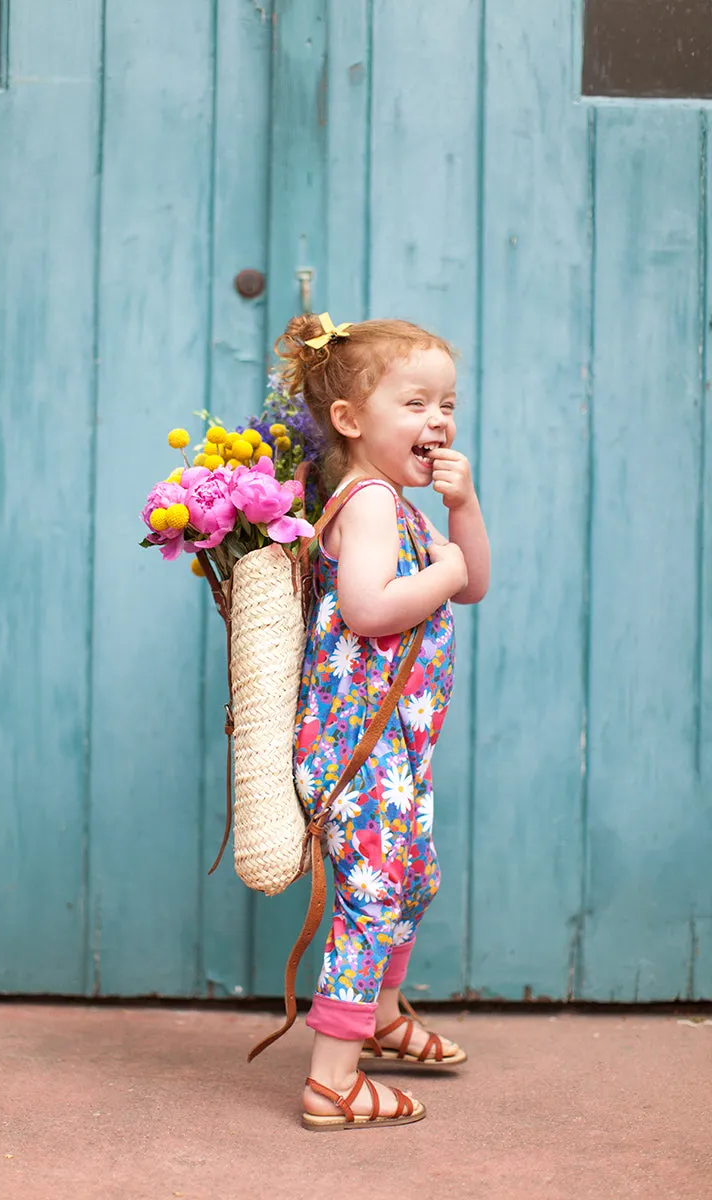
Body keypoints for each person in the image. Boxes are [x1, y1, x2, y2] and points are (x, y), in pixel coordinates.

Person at [277, 312, 490, 1132]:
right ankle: (333, 1077)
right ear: (350, 420)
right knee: (372, 897)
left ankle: (382, 1016)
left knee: (412, 878)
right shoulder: (367, 502)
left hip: (396, 751)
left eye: (448, 403)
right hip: (356, 752)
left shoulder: (401, 503)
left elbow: (469, 581)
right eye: (416, 403)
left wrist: (461, 511)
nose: (437, 420)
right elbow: (368, 610)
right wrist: (445, 572)